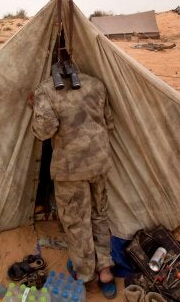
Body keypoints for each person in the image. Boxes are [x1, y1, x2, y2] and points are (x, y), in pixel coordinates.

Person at [28, 63, 117, 299]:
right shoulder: (96, 84)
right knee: (99, 214)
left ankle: (86, 274)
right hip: (99, 162)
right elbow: (109, 122)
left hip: (70, 169)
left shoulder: (46, 90)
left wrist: (33, 109)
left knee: (77, 222)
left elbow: (44, 130)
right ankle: (105, 270)